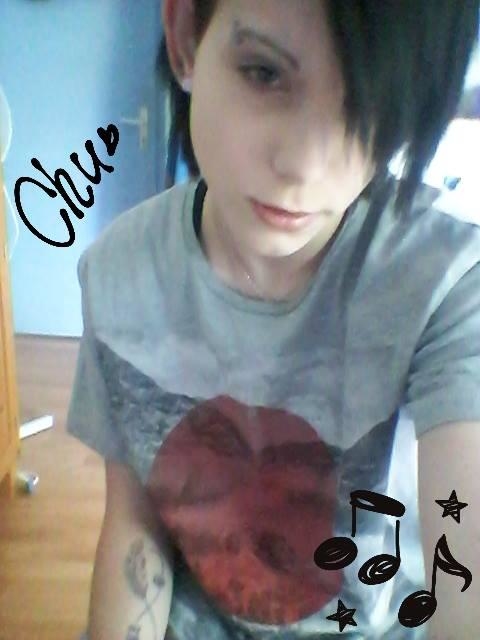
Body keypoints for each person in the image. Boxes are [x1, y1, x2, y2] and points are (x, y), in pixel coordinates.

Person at [67, 1, 480, 639]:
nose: (305, 166)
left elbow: (466, 582)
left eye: (367, 103)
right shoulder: (119, 275)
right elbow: (136, 522)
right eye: (264, 73)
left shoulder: (444, 285)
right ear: (184, 38)